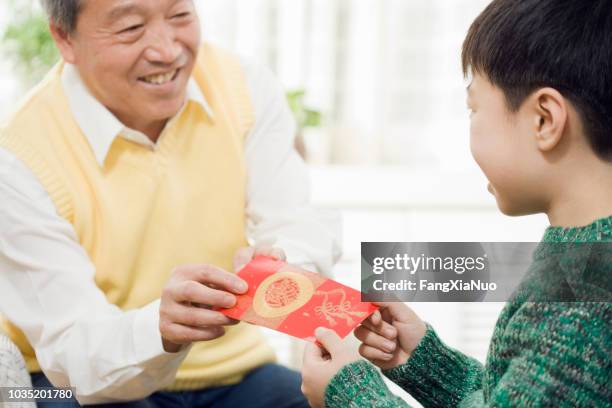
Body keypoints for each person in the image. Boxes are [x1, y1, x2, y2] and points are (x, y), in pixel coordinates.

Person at [0, 0, 340, 406]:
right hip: (71, 381)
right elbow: (73, 349)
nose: (167, 50)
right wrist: (160, 329)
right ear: (63, 37)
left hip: (235, 370)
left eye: (180, 16)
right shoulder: (18, 156)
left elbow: (294, 220)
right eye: (130, 28)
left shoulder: (243, 86)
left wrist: (285, 265)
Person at [301, 0, 612, 406]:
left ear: (544, 120)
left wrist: (348, 393)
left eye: (474, 108)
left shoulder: (580, 302)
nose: (470, 127)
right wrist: (427, 363)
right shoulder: (586, 258)